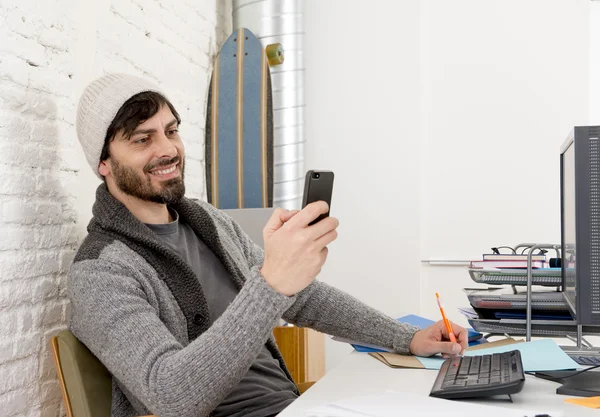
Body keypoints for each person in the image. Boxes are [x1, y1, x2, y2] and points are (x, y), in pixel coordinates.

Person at [69, 73, 467, 417]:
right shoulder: (100, 270)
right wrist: (272, 281)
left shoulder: (207, 221)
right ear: (103, 162)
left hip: (294, 406)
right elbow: (173, 396)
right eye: (143, 139)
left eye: (172, 131)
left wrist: (406, 338)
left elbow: (304, 299)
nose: (168, 150)